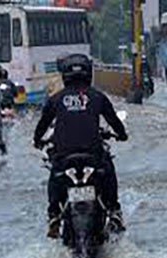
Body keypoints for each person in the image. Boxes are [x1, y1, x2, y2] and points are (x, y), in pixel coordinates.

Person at [33, 53, 129, 239]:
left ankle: (53, 215)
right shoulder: (98, 97)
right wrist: (122, 135)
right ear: (88, 73)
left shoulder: (56, 99)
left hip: (63, 156)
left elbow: (42, 125)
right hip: (93, 155)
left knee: (55, 175)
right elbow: (115, 122)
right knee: (108, 170)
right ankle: (114, 211)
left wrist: (38, 141)